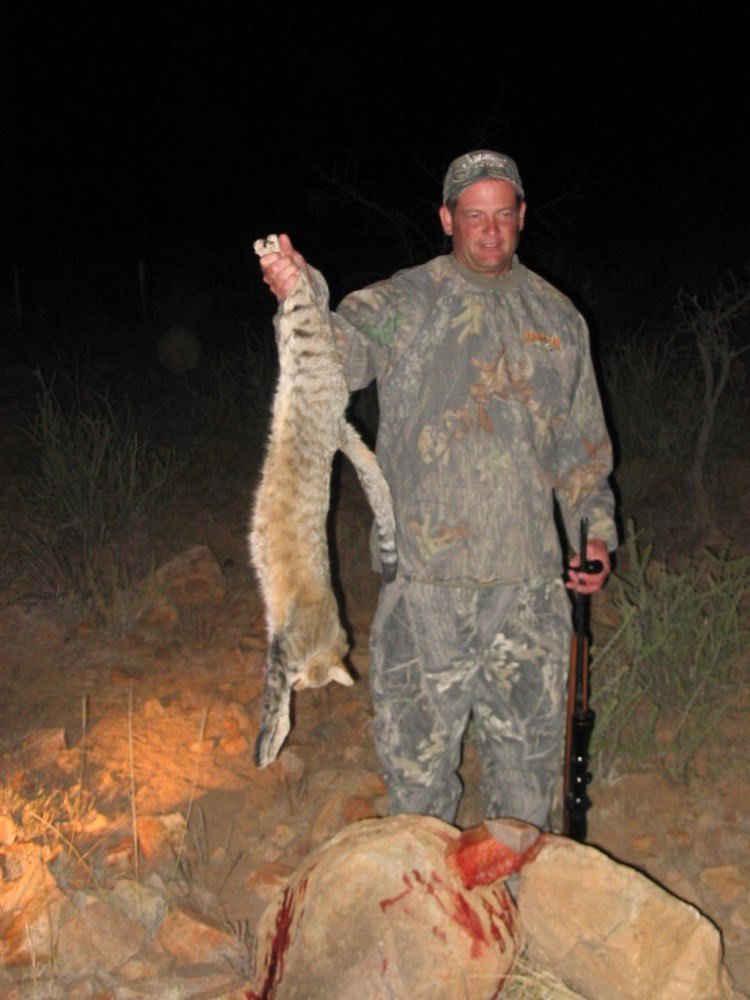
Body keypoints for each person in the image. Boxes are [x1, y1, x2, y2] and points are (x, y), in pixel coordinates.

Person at [259, 150, 617, 830]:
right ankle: (428, 922)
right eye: (474, 215)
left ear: (521, 218)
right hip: (424, 590)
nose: (490, 230)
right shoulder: (409, 299)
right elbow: (343, 349)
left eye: (503, 215)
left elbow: (584, 452)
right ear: (448, 218)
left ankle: (513, 915)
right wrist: (302, 295)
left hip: (531, 592)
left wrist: (595, 533)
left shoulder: (559, 319)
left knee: (526, 781)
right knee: (417, 782)